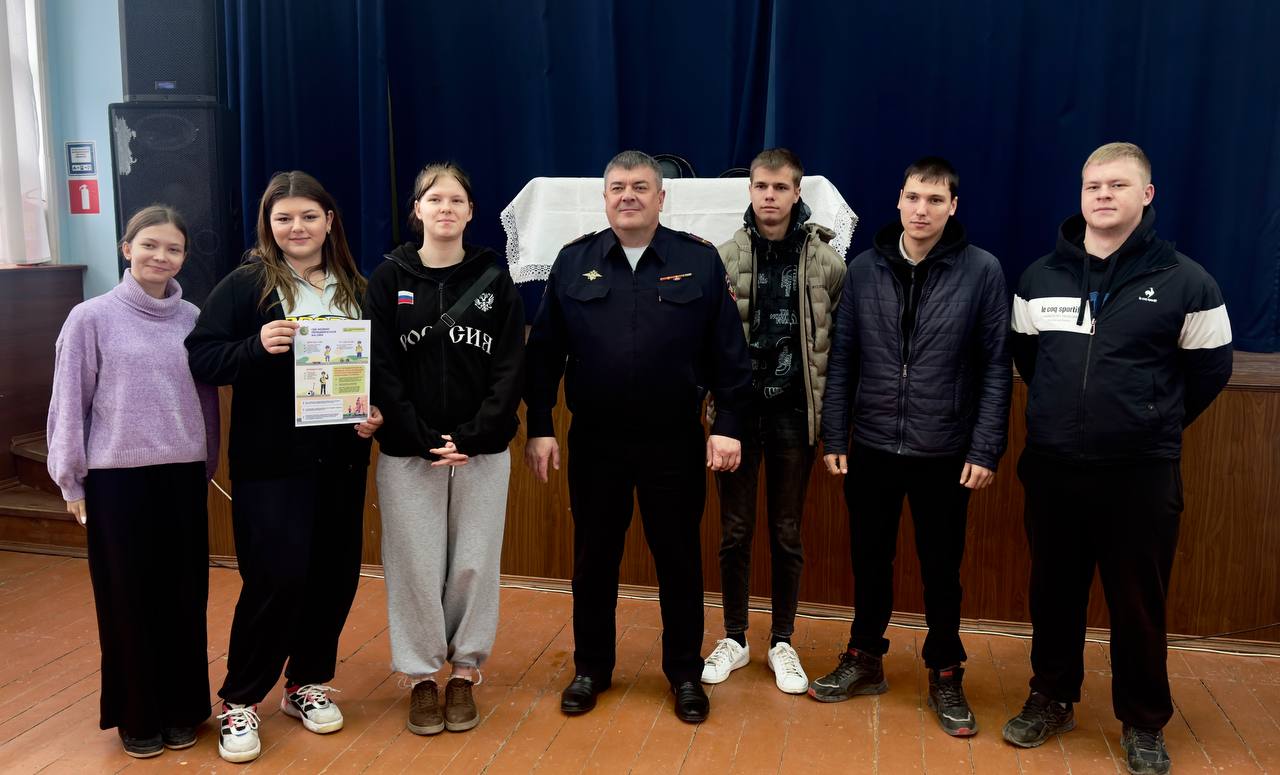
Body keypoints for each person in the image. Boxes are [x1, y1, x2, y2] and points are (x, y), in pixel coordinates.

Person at [1002, 142, 1232, 775]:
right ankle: (1051, 697)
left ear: (1146, 195)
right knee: (1053, 593)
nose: (1102, 195)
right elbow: (1029, 361)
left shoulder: (1188, 280)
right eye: (1092, 186)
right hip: (1053, 469)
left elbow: (1210, 371)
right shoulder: (1039, 277)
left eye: (1117, 185)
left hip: (1139, 474)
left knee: (1138, 603)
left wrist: (1149, 419)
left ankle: (1144, 720)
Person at [524, 150, 751, 723]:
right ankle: (591, 668)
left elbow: (729, 353)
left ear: (661, 197)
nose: (629, 195)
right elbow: (544, 354)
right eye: (618, 187)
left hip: (672, 440)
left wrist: (728, 425)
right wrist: (541, 426)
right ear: (605, 198)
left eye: (641, 187)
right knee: (593, 560)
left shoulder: (698, 260)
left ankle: (684, 673)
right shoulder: (574, 261)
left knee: (679, 560)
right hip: (596, 440)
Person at [186, 171, 382, 764]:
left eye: (308, 216)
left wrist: (375, 411)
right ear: (268, 225)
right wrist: (255, 345)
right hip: (271, 462)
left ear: (329, 221)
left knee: (333, 575)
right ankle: (240, 698)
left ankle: (306, 683)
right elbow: (202, 356)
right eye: (284, 218)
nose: (297, 227)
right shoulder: (248, 284)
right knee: (276, 579)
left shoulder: (356, 286)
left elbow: (376, 367)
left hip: (341, 459)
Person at [814, 157, 1010, 738]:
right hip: (872, 444)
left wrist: (985, 448)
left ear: (953, 207)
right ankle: (865, 658)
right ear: (898, 201)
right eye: (913, 197)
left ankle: (945, 671)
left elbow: (995, 367)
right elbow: (843, 358)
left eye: (934, 200)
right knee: (869, 559)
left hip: (944, 449)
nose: (921, 210)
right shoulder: (865, 269)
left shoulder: (983, 271)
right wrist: (835, 434)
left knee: (941, 569)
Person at [46, 205, 219, 758]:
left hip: (182, 476)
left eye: (173, 249)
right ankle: (138, 714)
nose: (160, 257)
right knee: (126, 600)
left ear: (184, 257)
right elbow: (68, 403)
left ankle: (183, 708)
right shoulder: (90, 317)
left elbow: (206, 401)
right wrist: (71, 480)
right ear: (127, 249)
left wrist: (207, 463)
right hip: (116, 481)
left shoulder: (193, 317)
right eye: (149, 245)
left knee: (183, 598)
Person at [365, 163, 524, 736]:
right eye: (435, 199)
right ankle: (420, 677)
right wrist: (420, 436)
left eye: (457, 200)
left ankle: (463, 672)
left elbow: (510, 367)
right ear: (418, 209)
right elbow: (381, 366)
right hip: (411, 452)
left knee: (474, 563)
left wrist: (475, 435)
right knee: (415, 564)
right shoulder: (388, 278)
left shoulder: (494, 279)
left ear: (471, 211)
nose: (446, 208)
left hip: (480, 451)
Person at [701, 148, 846, 695]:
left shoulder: (828, 263)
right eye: (761, 186)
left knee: (786, 533)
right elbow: (707, 344)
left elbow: (837, 347)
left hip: (794, 417)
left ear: (797, 192)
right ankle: (735, 637)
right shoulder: (722, 258)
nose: (769, 196)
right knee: (734, 532)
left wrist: (833, 423)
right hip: (737, 418)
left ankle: (782, 640)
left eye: (780, 187)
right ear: (750, 190)